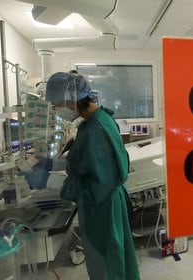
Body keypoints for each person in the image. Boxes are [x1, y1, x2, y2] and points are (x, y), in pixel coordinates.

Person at [45, 72, 140, 279]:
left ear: (71, 99)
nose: (55, 109)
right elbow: (87, 158)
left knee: (107, 265)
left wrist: (49, 181)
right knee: (116, 261)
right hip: (107, 202)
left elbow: (94, 186)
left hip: (103, 207)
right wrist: (52, 164)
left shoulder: (95, 129)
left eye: (55, 104)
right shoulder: (98, 119)